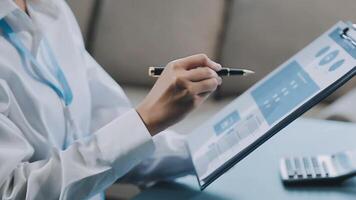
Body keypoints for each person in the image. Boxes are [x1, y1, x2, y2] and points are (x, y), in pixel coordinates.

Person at [0, 0, 223, 199]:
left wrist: (209, 149)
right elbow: (15, 191)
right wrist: (145, 120)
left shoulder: (53, 9)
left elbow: (107, 126)